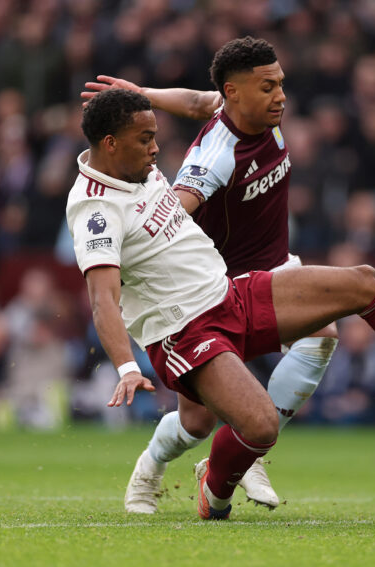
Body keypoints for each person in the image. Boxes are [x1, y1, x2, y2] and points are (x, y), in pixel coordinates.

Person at [68, 88, 375, 520]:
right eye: (145, 139)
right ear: (110, 143)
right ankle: (209, 492)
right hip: (185, 332)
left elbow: (202, 104)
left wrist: (143, 93)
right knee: (256, 426)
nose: (156, 149)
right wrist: (127, 368)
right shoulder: (95, 209)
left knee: (362, 283)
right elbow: (102, 298)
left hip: (230, 294)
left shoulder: (138, 163)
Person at [81, 37, 338, 513]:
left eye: (280, 83)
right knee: (196, 423)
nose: (281, 94)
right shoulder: (211, 155)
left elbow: (199, 101)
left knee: (321, 333)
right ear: (240, 89)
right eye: (270, 85)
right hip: (213, 279)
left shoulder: (254, 110)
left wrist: (145, 93)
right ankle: (152, 465)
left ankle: (249, 451)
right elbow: (175, 207)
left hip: (269, 261)